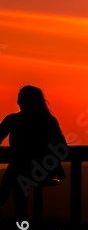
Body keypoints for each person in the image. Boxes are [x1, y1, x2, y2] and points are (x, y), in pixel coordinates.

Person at [0, 86, 68, 220]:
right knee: (17, 177)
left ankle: (21, 225)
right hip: (42, 169)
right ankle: (22, 227)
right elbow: (62, 147)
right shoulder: (48, 120)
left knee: (15, 177)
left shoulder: (13, 120)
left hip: (33, 169)